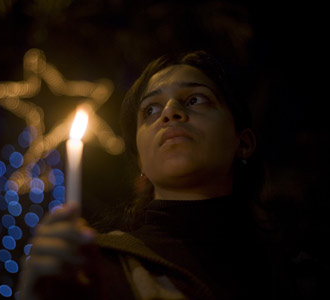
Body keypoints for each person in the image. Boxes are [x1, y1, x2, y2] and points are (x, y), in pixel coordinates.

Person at [17, 50, 293, 300]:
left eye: (195, 99)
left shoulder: (292, 270)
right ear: (140, 161)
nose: (170, 112)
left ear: (243, 142)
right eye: (150, 109)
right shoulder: (94, 267)